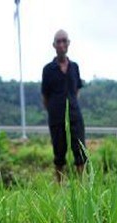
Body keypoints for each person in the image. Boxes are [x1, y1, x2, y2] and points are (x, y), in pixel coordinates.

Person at [41, 29, 86, 181]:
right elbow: (45, 96)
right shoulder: (48, 70)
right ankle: (59, 186)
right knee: (59, 153)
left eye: (64, 41)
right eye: (58, 41)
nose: (61, 44)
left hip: (74, 115)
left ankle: (82, 187)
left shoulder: (75, 67)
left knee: (80, 150)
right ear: (53, 45)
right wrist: (54, 111)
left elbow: (76, 90)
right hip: (56, 117)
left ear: (68, 43)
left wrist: (71, 105)